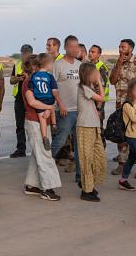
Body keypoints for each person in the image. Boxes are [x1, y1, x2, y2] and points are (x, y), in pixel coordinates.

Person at [20, 55, 61, 201]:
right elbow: (32, 102)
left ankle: (32, 185)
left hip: (41, 121)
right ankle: (47, 188)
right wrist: (49, 106)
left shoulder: (35, 80)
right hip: (34, 122)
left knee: (37, 153)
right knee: (45, 154)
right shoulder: (29, 82)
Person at [109, 39, 136, 175]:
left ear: (131, 48)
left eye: (123, 47)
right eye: (119, 47)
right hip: (121, 106)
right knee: (121, 134)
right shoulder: (118, 63)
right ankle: (122, 163)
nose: (120, 49)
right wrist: (118, 64)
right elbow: (112, 81)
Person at [76, 63, 107, 202]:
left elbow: (99, 103)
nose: (97, 75)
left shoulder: (89, 88)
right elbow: (102, 98)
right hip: (85, 126)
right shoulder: (83, 88)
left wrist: (98, 84)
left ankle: (88, 184)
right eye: (95, 73)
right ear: (89, 74)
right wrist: (100, 82)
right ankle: (86, 190)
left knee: (98, 157)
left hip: (93, 125)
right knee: (86, 159)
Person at [51, 35, 80, 183]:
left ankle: (80, 176)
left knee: (79, 144)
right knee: (60, 140)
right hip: (65, 111)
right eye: (72, 47)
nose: (75, 49)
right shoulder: (58, 65)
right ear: (66, 48)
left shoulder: (79, 65)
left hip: (79, 111)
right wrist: (60, 103)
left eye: (77, 46)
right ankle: (45, 164)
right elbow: (52, 87)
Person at [29, 53, 61, 151]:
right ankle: (54, 125)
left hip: (39, 100)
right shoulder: (50, 76)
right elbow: (54, 91)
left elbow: (31, 88)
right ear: (47, 64)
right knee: (52, 110)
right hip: (49, 99)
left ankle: (44, 137)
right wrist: (56, 97)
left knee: (42, 120)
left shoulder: (34, 75)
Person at [9, 44, 33, 158]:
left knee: (32, 125)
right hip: (19, 99)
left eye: (27, 52)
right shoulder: (17, 65)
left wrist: (28, 76)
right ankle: (21, 149)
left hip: (31, 99)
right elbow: (11, 80)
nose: (24, 55)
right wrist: (18, 78)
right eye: (23, 53)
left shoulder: (34, 65)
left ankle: (35, 148)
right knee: (19, 126)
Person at [88, 45, 110, 128]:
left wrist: (99, 108)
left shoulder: (101, 67)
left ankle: (101, 141)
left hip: (98, 101)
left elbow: (102, 89)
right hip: (89, 99)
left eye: (93, 52)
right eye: (89, 51)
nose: (90, 53)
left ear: (99, 54)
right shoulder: (87, 65)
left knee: (98, 125)